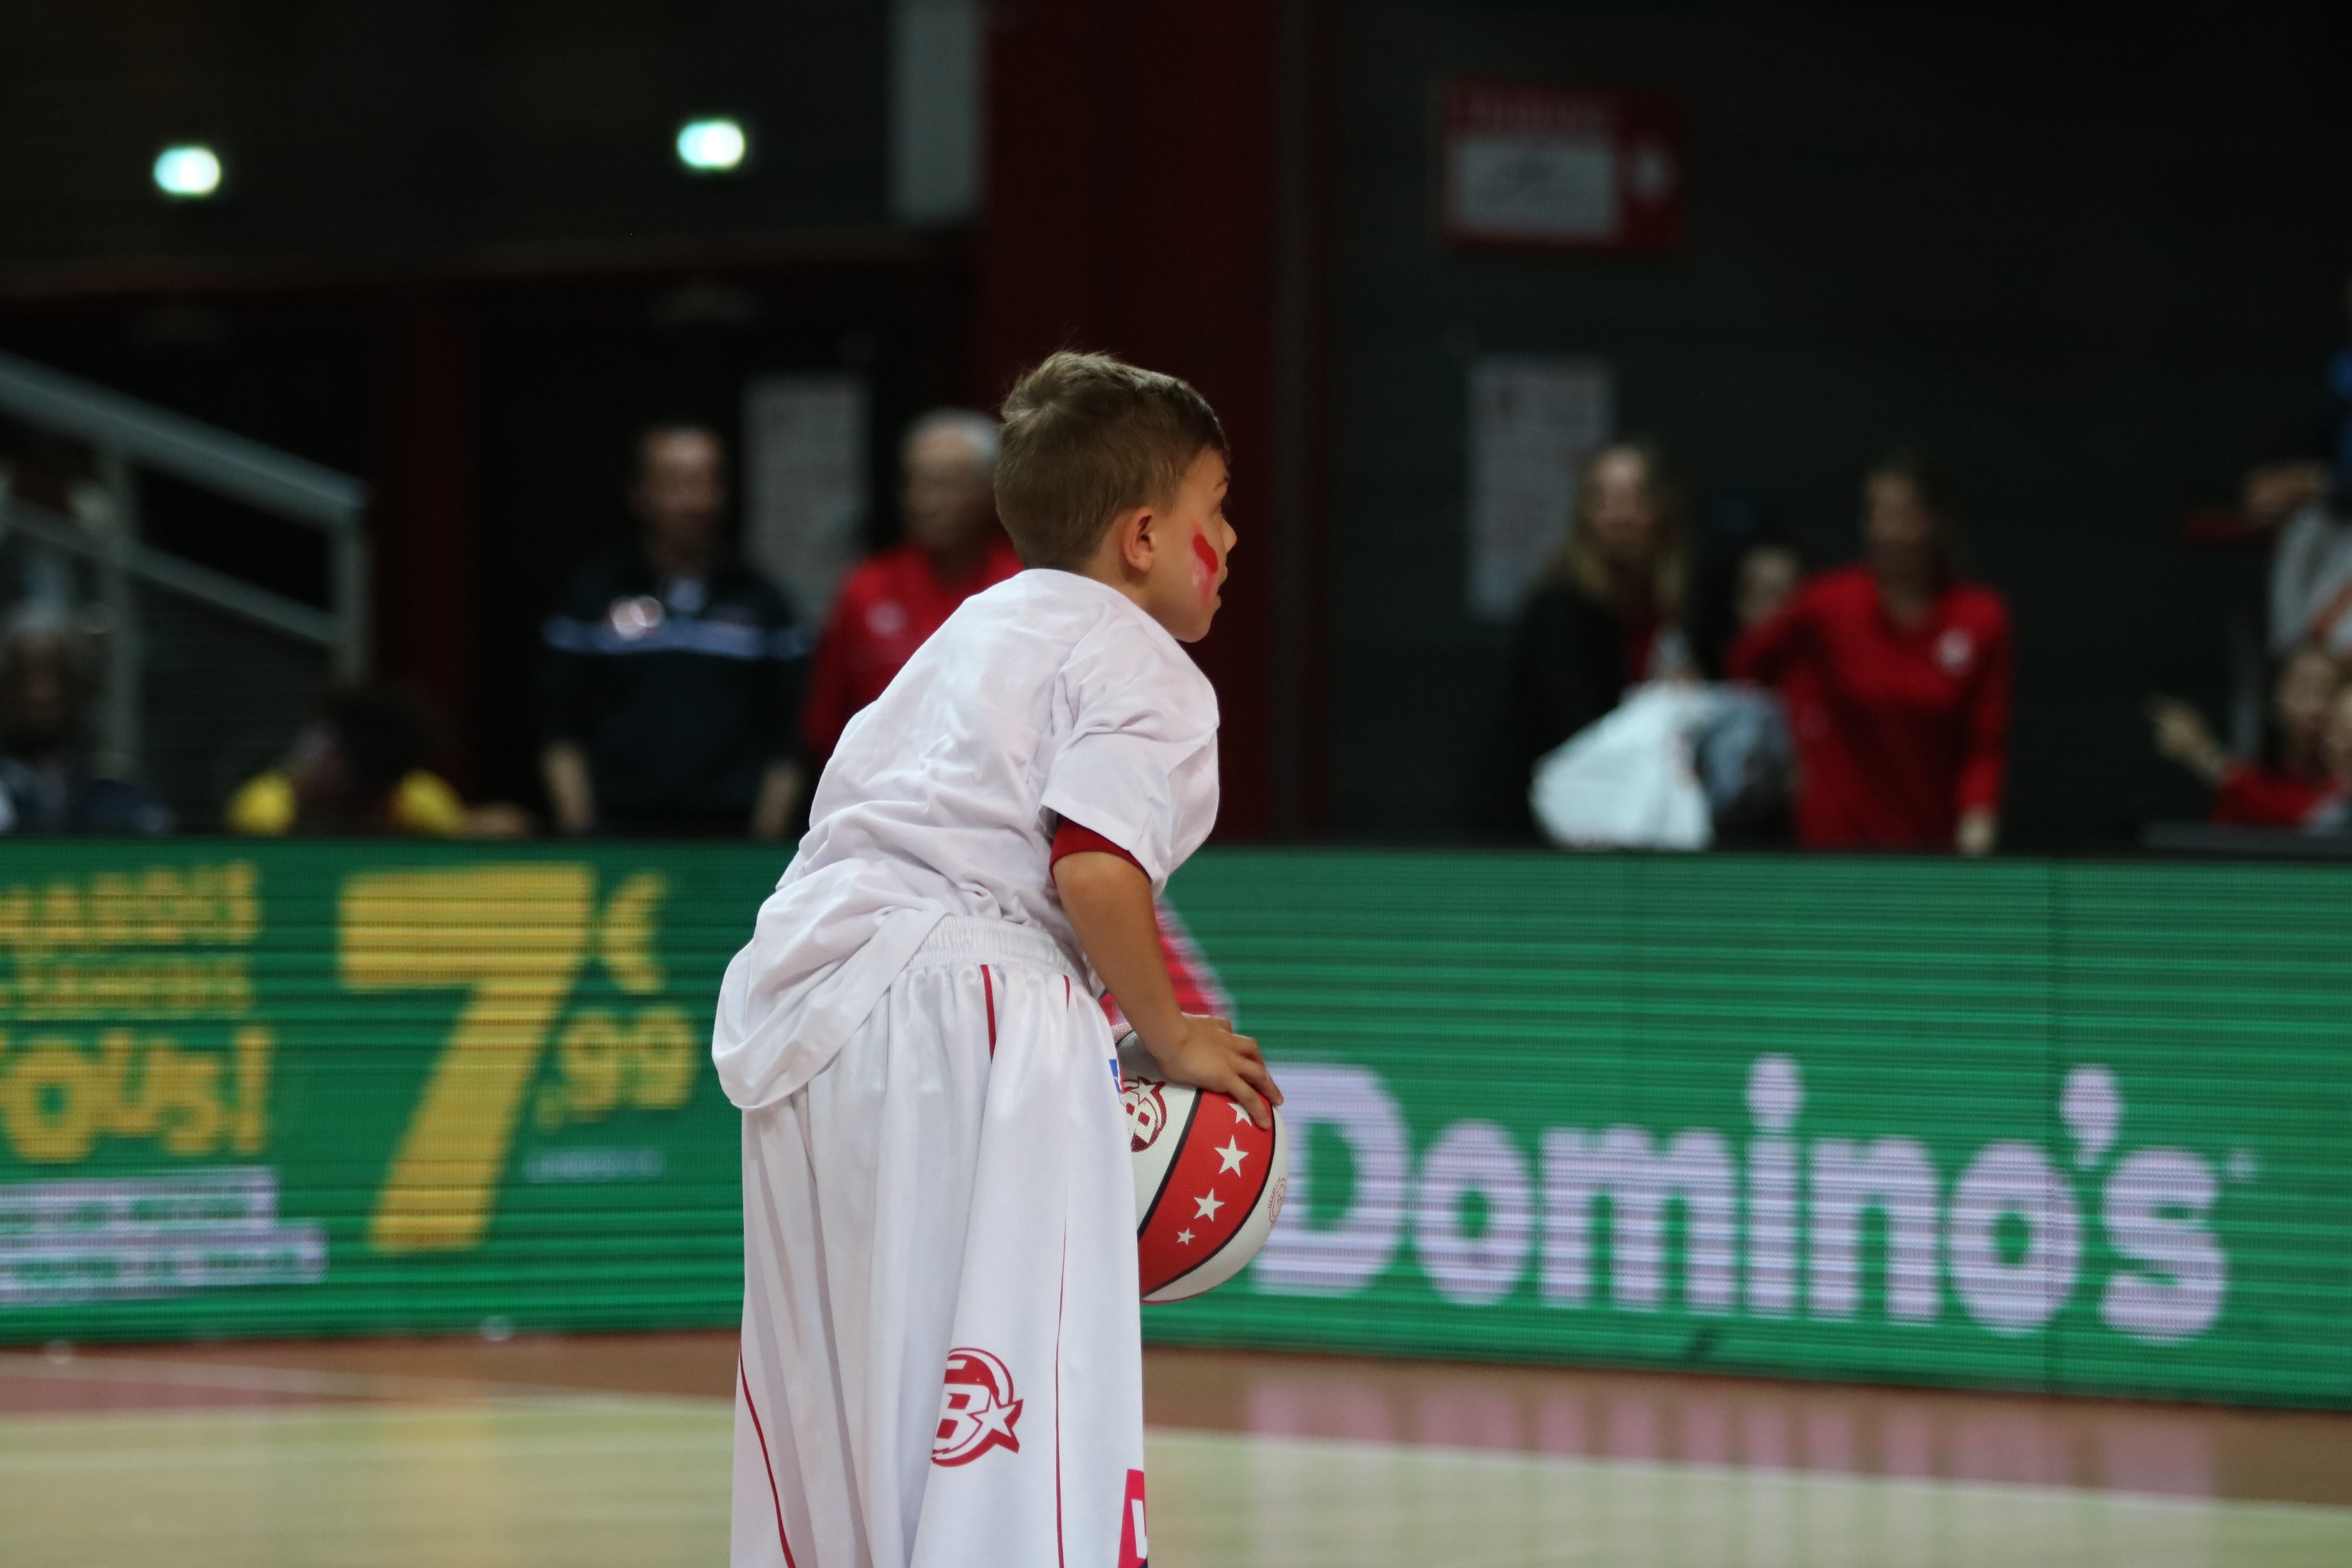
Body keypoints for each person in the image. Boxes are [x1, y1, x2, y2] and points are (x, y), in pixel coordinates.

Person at [713, 352, 1280, 1568]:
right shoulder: (1146, 665)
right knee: (1014, 1398)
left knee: (851, 1419)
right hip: (972, 996)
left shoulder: (960, 635)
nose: (1229, 539)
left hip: (809, 1011)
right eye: (1214, 507)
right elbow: (1092, 866)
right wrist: (1170, 1034)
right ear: (1141, 536)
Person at [1731, 449, 2013, 855]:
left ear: (1937, 521)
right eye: (1876, 514)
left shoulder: (1982, 618)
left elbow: (1984, 742)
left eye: (1902, 515)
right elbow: (1746, 665)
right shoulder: (1826, 605)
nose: (1887, 532)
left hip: (1930, 845)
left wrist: (1978, 823)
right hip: (1832, 846)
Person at [541, 420, 808, 838]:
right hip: (616, 833)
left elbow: (790, 734)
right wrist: (579, 825)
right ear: (639, 494)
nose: (694, 501)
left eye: (706, 483)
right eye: (675, 484)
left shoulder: (763, 600)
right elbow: (557, 724)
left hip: (733, 839)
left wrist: (766, 837)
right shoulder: (593, 594)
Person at [1475, 439, 1690, 838]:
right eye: (1604, 500)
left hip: (1630, 815)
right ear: (1584, 514)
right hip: (1546, 822)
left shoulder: (1674, 605)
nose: (1619, 516)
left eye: (1634, 499)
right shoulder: (1561, 605)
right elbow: (1577, 728)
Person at [801, 409, 1024, 760]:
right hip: (877, 799)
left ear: (989, 490)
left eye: (943, 485)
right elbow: (824, 725)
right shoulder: (866, 588)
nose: (921, 502)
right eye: (913, 483)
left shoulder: (1022, 589)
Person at [226, 685, 530, 837]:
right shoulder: (267, 812)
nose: (308, 759)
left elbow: (501, 825)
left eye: (331, 756)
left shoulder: (417, 800)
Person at [0, 606, 168, 834]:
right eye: (23, 676)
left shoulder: (115, 785)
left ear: (84, 691)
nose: (41, 693)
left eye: (58, 675)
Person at [2147, 644, 2340, 827]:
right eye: (2303, 689)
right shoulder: (2256, 778)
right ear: (2277, 696)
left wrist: (2204, 756)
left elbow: (2307, 819)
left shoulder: (2342, 786)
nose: (2315, 705)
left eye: (2327, 691)